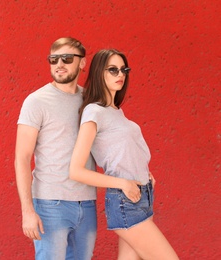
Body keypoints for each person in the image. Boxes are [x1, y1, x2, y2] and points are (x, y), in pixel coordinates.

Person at [69, 49, 179, 259]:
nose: (120, 74)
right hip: (125, 200)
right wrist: (124, 183)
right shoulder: (94, 111)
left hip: (142, 196)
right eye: (113, 70)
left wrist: (144, 173)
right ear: (100, 73)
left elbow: (123, 153)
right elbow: (76, 171)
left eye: (123, 70)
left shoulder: (116, 111)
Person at [14, 37, 98, 260]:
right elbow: (22, 157)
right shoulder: (36, 101)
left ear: (82, 63)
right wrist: (27, 211)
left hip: (87, 202)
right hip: (51, 204)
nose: (59, 64)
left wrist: (136, 172)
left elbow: (106, 146)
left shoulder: (90, 101)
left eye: (67, 58)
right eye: (53, 59)